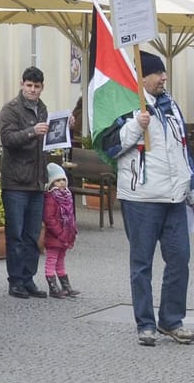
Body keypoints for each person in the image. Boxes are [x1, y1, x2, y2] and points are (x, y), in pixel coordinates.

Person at [98, 50, 191, 344]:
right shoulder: (126, 108)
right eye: (158, 73)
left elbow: (182, 148)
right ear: (142, 77)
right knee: (142, 264)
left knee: (179, 260)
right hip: (141, 199)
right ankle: (145, 324)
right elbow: (110, 148)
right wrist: (136, 125)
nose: (164, 77)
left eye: (164, 73)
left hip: (174, 199)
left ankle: (171, 320)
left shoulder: (170, 104)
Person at [0, 67, 54, 298]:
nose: (32, 89)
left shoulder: (43, 109)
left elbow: (47, 141)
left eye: (36, 86)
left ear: (42, 87)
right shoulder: (10, 109)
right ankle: (16, 281)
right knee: (16, 235)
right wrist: (32, 131)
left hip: (37, 182)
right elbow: (8, 140)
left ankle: (29, 278)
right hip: (16, 183)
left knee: (32, 235)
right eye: (29, 85)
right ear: (22, 84)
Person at [41, 163, 80, 300]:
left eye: (63, 180)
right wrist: (59, 232)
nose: (61, 183)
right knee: (52, 259)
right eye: (58, 180)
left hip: (65, 235)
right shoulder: (51, 198)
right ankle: (53, 287)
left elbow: (70, 216)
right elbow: (49, 218)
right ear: (51, 183)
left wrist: (71, 231)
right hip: (55, 235)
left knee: (61, 260)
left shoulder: (67, 196)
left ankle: (65, 285)